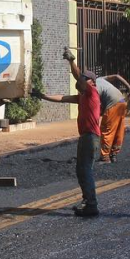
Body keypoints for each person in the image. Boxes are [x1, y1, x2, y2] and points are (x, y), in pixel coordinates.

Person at [32, 49, 102, 217]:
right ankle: (88, 202)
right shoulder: (82, 97)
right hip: (86, 137)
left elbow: (78, 78)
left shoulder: (92, 93)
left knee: (85, 170)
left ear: (91, 82)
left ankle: (91, 205)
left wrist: (71, 61)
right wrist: (42, 95)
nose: (81, 81)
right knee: (81, 169)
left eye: (85, 79)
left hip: (90, 137)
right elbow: (62, 98)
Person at [95, 74, 130, 162]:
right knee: (118, 129)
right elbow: (116, 76)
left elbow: (97, 106)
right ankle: (113, 154)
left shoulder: (94, 87)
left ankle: (105, 157)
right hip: (122, 101)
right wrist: (129, 87)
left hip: (112, 105)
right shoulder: (100, 79)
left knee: (106, 129)